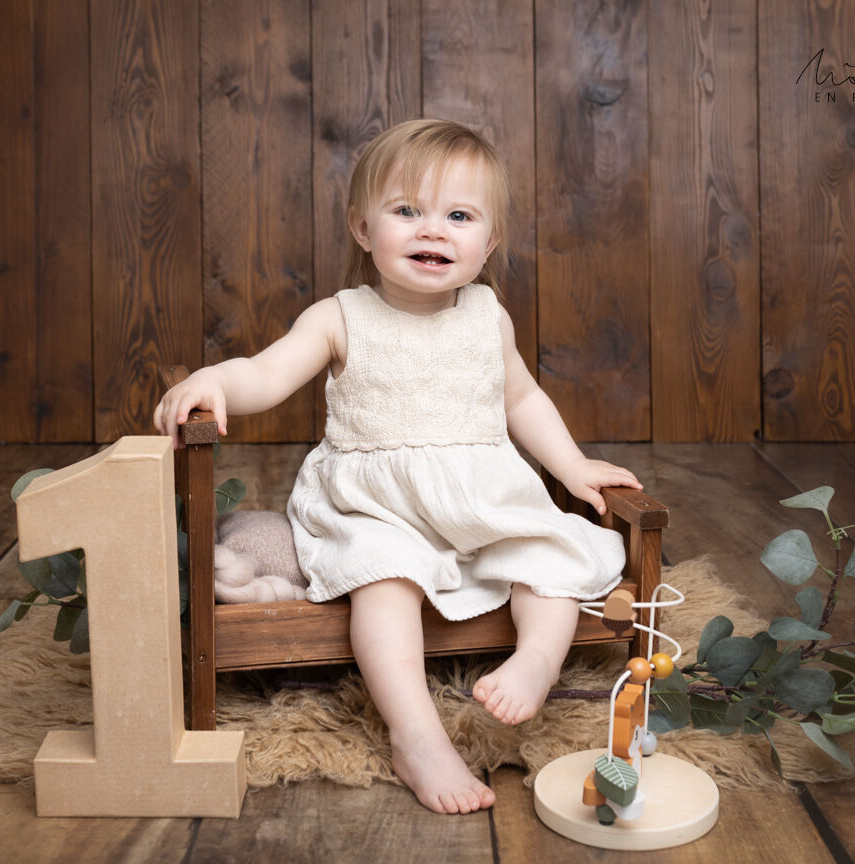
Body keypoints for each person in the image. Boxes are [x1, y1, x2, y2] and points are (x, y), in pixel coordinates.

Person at [154, 119, 642, 815]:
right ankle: (415, 735)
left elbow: (522, 398)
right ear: (363, 228)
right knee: (383, 578)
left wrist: (570, 466)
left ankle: (536, 660)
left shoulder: (487, 316)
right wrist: (215, 381)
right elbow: (265, 374)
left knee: (551, 554)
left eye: (459, 216)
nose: (433, 230)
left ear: (489, 242)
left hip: (479, 497)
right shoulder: (339, 318)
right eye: (407, 210)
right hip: (377, 506)